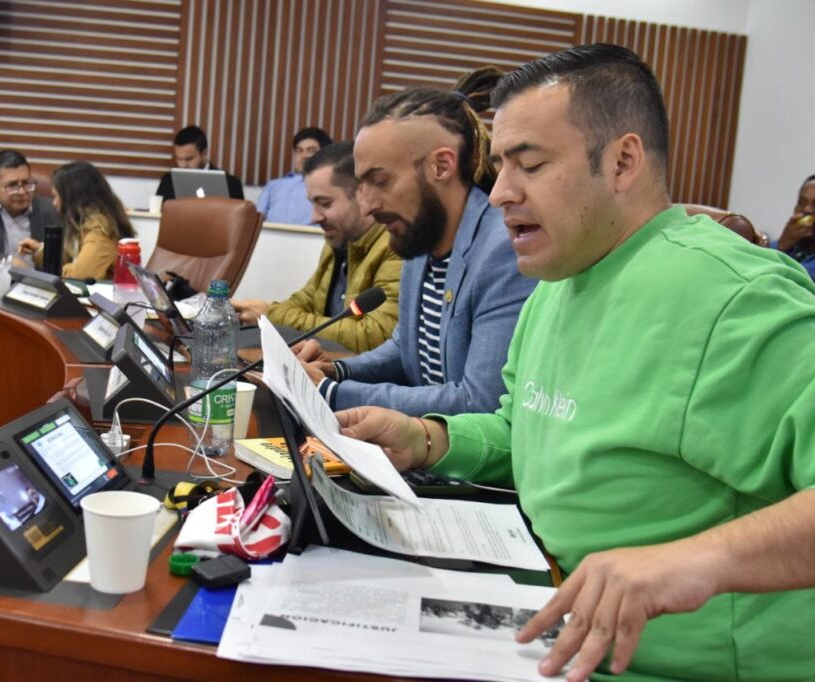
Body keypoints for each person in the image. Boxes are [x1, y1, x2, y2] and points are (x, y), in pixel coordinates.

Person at [337, 44, 815, 681]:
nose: (499, 194)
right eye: (500, 166)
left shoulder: (736, 300)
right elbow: (528, 427)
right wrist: (428, 438)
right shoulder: (560, 281)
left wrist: (693, 562)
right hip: (550, 620)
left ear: (622, 162)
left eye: (530, 164)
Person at [299, 70, 536, 417]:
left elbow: (479, 401)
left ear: (442, 165)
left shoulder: (503, 251)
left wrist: (332, 393)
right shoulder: (420, 238)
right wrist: (337, 371)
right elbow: (404, 348)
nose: (367, 205)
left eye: (381, 181)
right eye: (362, 184)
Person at [234, 142, 402, 353]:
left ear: (362, 195)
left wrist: (271, 315)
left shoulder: (396, 247)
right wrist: (261, 312)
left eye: (325, 203)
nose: (314, 217)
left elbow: (372, 337)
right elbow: (306, 300)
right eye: (312, 203)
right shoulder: (340, 240)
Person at [19, 161, 134, 280]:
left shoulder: (101, 230)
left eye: (56, 196)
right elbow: (70, 257)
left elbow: (81, 276)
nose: (54, 203)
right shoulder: (84, 224)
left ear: (72, 199)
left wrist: (44, 273)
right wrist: (40, 249)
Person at [256, 126, 333, 224]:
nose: (304, 156)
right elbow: (257, 220)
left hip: (312, 233)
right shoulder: (273, 185)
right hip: (271, 232)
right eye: (299, 151)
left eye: (311, 151)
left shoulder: (331, 184)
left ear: (325, 154)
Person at [154, 125, 244, 202]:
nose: (183, 165)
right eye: (179, 159)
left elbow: (240, 216)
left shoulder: (231, 184)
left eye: (189, 159)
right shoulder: (168, 181)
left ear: (204, 154)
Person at [774, 174, 815, 279]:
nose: (806, 209)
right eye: (802, 202)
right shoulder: (785, 243)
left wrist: (782, 248)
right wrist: (782, 246)